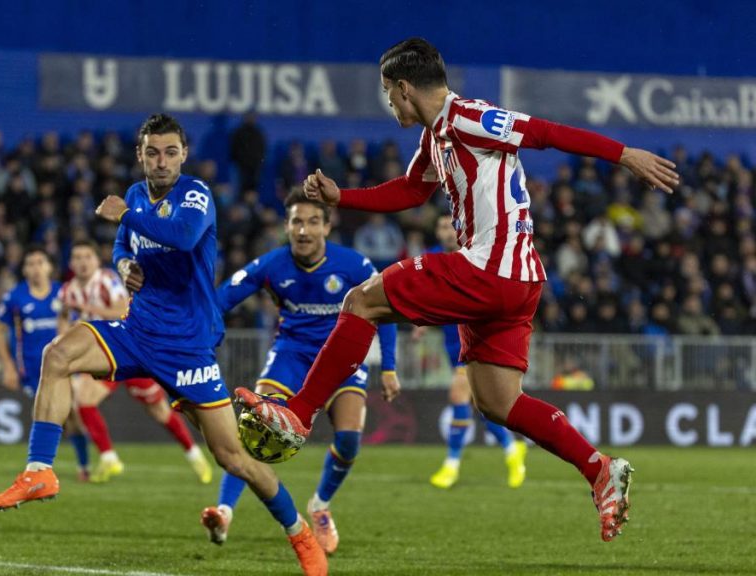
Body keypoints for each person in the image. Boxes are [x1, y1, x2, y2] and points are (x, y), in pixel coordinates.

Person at [236, 37, 679, 543]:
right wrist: (344, 197)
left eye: (387, 92)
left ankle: (298, 413)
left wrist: (625, 155)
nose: (387, 104)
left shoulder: (466, 116)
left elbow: (545, 132)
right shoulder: (436, 136)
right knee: (497, 402)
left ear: (404, 88)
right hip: (517, 281)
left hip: (491, 270)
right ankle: (599, 468)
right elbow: (412, 189)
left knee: (362, 300)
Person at [0, 114, 327, 576]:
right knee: (57, 355)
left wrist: (126, 216)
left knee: (234, 458)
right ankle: (39, 470)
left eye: (169, 152)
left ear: (183, 155)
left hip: (187, 348)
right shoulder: (136, 196)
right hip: (137, 330)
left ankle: (299, 533)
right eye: (151, 152)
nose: (160, 161)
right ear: (139, 155)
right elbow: (123, 245)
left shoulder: (195, 195)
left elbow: (182, 237)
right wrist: (123, 266)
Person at [203, 188, 398, 555]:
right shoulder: (272, 264)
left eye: (312, 222)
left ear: (327, 226)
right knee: (254, 429)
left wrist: (388, 366)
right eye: (296, 222)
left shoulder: (355, 265)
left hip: (340, 360)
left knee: (349, 439)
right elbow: (221, 299)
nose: (303, 230)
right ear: (286, 226)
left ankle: (320, 506)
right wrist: (200, 330)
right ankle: (225, 512)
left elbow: (384, 313)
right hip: (291, 355)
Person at [57, 239, 213, 484]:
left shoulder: (107, 280)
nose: (82, 262)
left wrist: (85, 308)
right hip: (102, 357)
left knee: (159, 411)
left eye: (87, 256)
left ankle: (194, 455)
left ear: (97, 260)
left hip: (132, 350)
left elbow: (121, 311)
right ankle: (109, 458)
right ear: (70, 263)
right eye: (77, 257)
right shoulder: (67, 291)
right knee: (84, 399)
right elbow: (64, 320)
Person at [423, 215, 527, 489]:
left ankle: (451, 464)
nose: (446, 232)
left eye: (450, 226)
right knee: (482, 406)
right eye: (441, 226)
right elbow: (422, 292)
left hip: (475, 342)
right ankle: (511, 449)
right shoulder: (431, 259)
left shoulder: (475, 256)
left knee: (458, 394)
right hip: (451, 345)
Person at [0, 246, 91, 481]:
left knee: (69, 414)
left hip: (65, 367)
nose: (35, 268)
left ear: (49, 267)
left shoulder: (63, 293)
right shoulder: (15, 297)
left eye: (40, 262)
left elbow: (80, 325)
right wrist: (8, 367)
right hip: (33, 370)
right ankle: (41, 467)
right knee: (53, 416)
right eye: (30, 264)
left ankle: (81, 465)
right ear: (24, 269)